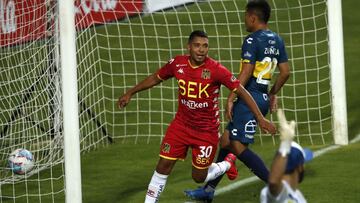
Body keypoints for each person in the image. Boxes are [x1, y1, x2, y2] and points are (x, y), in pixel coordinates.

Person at [117, 30, 276, 203]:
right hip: (181, 126)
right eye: (197, 45)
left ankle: (226, 164)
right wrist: (130, 92)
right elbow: (155, 78)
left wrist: (260, 118)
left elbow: (242, 91)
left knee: (199, 177)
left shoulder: (216, 70)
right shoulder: (177, 64)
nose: (201, 50)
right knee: (163, 165)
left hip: (205, 131)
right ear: (189, 47)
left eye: (205, 46)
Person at [185, 1, 290, 201]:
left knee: (237, 146)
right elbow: (285, 72)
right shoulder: (277, 39)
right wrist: (272, 93)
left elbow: (246, 71)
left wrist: (232, 96)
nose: (244, 20)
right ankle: (208, 191)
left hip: (248, 97)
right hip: (262, 96)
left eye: (245, 16)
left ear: (252, 17)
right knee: (225, 141)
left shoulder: (251, 40)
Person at [260, 109, 312, 203]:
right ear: (299, 167)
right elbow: (273, 183)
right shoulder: (279, 193)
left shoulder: (297, 195)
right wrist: (285, 144)